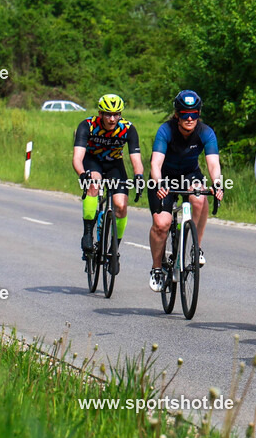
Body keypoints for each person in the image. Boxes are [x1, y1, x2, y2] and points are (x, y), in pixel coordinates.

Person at [147, 90, 223, 291]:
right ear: (176, 115)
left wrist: (217, 183)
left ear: (198, 114)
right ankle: (156, 267)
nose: (189, 118)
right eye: (184, 114)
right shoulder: (166, 130)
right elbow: (155, 164)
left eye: (194, 114)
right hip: (164, 176)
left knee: (199, 197)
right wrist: (160, 183)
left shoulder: (205, 132)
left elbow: (213, 164)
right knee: (162, 224)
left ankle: (195, 248)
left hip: (190, 174)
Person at [72, 93, 143, 275]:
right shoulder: (87, 125)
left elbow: (135, 159)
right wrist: (82, 174)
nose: (112, 119)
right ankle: (88, 232)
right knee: (94, 184)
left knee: (120, 205)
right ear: (100, 113)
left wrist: (139, 176)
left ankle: (114, 249)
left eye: (116, 114)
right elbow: (77, 157)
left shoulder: (128, 129)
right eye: (108, 114)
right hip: (92, 161)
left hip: (114, 165)